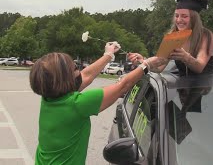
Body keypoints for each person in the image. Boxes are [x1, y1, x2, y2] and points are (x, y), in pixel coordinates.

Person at [29, 42, 159, 165]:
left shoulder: (48, 98)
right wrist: (147, 64)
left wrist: (108, 55)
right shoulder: (77, 104)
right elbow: (123, 85)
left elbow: (86, 75)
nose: (79, 70)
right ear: (64, 79)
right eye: (75, 68)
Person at [128, 0, 213, 76]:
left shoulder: (206, 35)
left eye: (184, 16)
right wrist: (142, 61)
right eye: (177, 16)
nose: (179, 20)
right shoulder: (173, 37)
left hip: (204, 86)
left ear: (194, 19)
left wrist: (185, 57)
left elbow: (199, 67)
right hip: (182, 88)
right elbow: (159, 68)